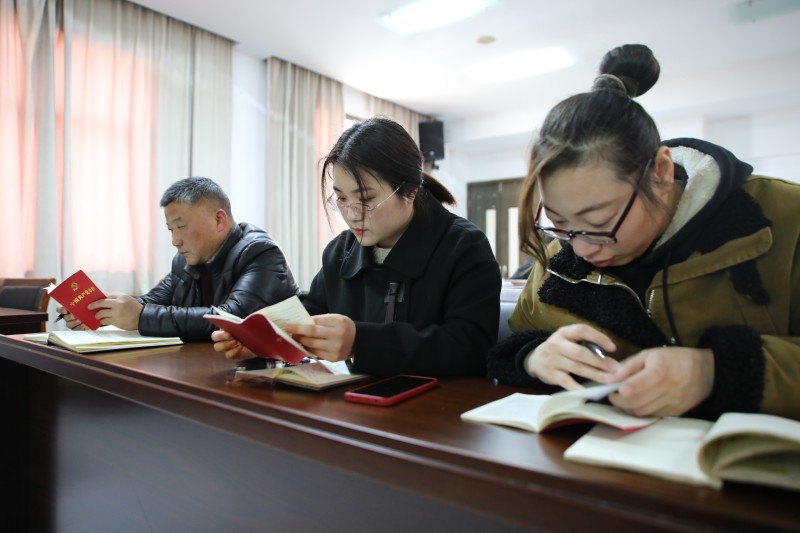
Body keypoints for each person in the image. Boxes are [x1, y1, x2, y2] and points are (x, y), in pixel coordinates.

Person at [488, 44, 800, 421]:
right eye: (561, 224)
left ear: (662, 172)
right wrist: (533, 356)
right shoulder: (560, 255)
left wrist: (715, 372)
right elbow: (520, 336)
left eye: (599, 223)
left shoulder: (784, 218)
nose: (582, 249)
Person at [213, 117, 501, 376]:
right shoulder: (341, 251)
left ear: (410, 191)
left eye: (365, 199)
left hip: (435, 409)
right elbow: (311, 313)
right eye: (341, 198)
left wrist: (360, 342)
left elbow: (472, 348)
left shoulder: (464, 247)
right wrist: (263, 341)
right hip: (352, 404)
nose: (351, 214)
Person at [57, 177, 299, 341]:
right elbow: (150, 303)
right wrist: (100, 311)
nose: (175, 240)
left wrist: (139, 317)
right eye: (171, 230)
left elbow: (234, 318)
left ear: (219, 220)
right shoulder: (184, 261)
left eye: (181, 227)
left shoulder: (260, 252)